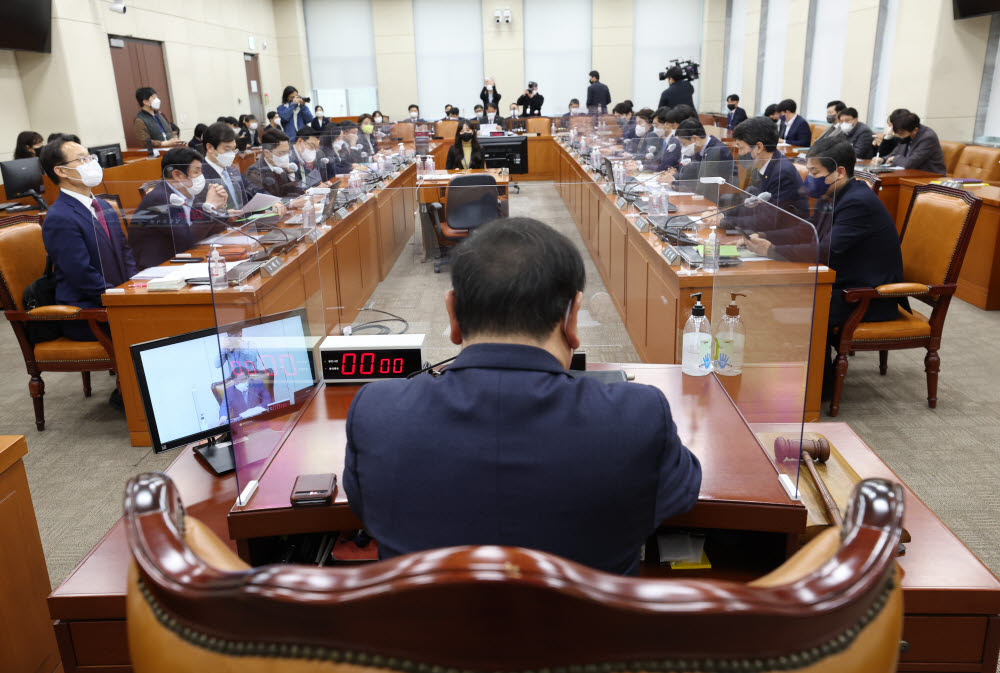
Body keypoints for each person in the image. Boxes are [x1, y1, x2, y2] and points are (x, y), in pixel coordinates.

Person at [343, 217, 702, 575]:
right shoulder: (637, 418)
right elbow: (681, 493)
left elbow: (363, 505)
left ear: (452, 313)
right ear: (572, 317)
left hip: (425, 631)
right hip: (587, 632)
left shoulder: (376, 413)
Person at [745, 136, 908, 391]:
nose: (809, 179)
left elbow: (824, 251)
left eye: (815, 172)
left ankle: (817, 387)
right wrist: (767, 238)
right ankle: (789, 372)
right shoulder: (834, 193)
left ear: (839, 172)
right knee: (776, 298)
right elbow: (808, 233)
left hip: (867, 296)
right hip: (842, 283)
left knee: (795, 306)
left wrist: (774, 251)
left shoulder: (857, 202)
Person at [38, 136, 137, 342]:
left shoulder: (104, 205)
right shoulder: (60, 217)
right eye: (82, 159)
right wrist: (119, 299)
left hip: (117, 301)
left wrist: (135, 287)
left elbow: (125, 252)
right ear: (61, 171)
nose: (92, 163)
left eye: (91, 157)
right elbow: (80, 273)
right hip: (88, 314)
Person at [129, 147, 228, 269]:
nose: (201, 177)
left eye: (201, 172)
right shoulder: (160, 199)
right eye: (196, 172)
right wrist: (209, 207)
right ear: (177, 175)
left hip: (183, 259)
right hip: (160, 268)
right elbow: (187, 241)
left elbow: (205, 230)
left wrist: (219, 208)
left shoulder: (187, 193)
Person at [732, 116, 807, 215]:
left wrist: (723, 222)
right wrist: (722, 215)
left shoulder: (782, 173)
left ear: (759, 147)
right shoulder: (761, 166)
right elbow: (748, 208)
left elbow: (768, 220)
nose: (740, 153)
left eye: (741, 148)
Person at [200, 122, 255, 210]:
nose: (231, 154)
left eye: (233, 149)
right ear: (210, 147)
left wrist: (272, 202)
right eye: (227, 149)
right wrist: (226, 214)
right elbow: (201, 211)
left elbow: (251, 189)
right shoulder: (200, 175)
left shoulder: (232, 170)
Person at [672, 119, 737, 193]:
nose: (683, 148)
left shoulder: (716, 150)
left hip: (720, 194)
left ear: (695, 138)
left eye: (683, 144)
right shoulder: (699, 149)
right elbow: (690, 173)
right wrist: (673, 177)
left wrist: (673, 183)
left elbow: (703, 180)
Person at [876, 111, 946, 174]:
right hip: (909, 173)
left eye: (902, 134)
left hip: (929, 176)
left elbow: (910, 163)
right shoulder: (906, 133)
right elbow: (895, 153)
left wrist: (894, 159)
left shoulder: (928, 137)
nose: (900, 137)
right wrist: (883, 159)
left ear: (915, 130)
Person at [246, 127, 305, 197]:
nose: (286, 157)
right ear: (267, 153)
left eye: (287, 152)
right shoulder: (254, 171)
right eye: (281, 153)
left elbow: (297, 189)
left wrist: (291, 174)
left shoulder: (285, 166)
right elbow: (265, 198)